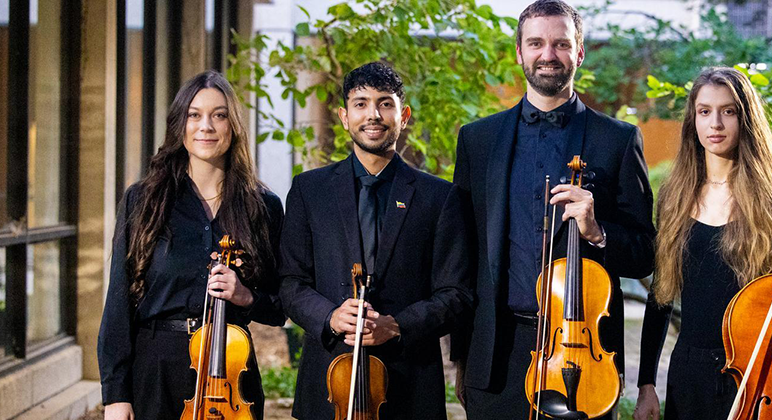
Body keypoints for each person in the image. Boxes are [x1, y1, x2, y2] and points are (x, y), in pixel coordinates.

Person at [450, 1, 656, 418]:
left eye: (561, 44)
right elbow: (463, 257)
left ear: (579, 53)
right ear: (519, 52)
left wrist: (598, 231)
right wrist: (461, 356)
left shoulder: (617, 140)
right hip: (496, 354)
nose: (548, 54)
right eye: (536, 43)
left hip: (582, 358)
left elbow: (645, 252)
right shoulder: (478, 140)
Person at [278, 61, 474, 420]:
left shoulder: (439, 197)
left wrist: (397, 325)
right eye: (361, 103)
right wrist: (331, 316)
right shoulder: (309, 190)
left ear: (404, 116)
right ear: (343, 115)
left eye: (385, 103)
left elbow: (456, 293)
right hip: (328, 384)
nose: (373, 115)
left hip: (410, 383)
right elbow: (290, 283)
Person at [632, 67, 772, 420]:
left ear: (746, 119)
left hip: (755, 372)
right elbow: (660, 296)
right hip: (688, 373)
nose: (716, 124)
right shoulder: (674, 195)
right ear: (693, 120)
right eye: (705, 112)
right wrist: (646, 383)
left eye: (729, 111)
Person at [98, 70, 286, 420]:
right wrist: (115, 395)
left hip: (230, 372)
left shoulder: (263, 206)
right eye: (194, 115)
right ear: (179, 124)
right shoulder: (144, 200)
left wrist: (246, 296)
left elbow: (279, 308)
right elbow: (118, 303)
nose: (206, 127)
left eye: (219, 115)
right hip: (156, 368)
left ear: (234, 126)